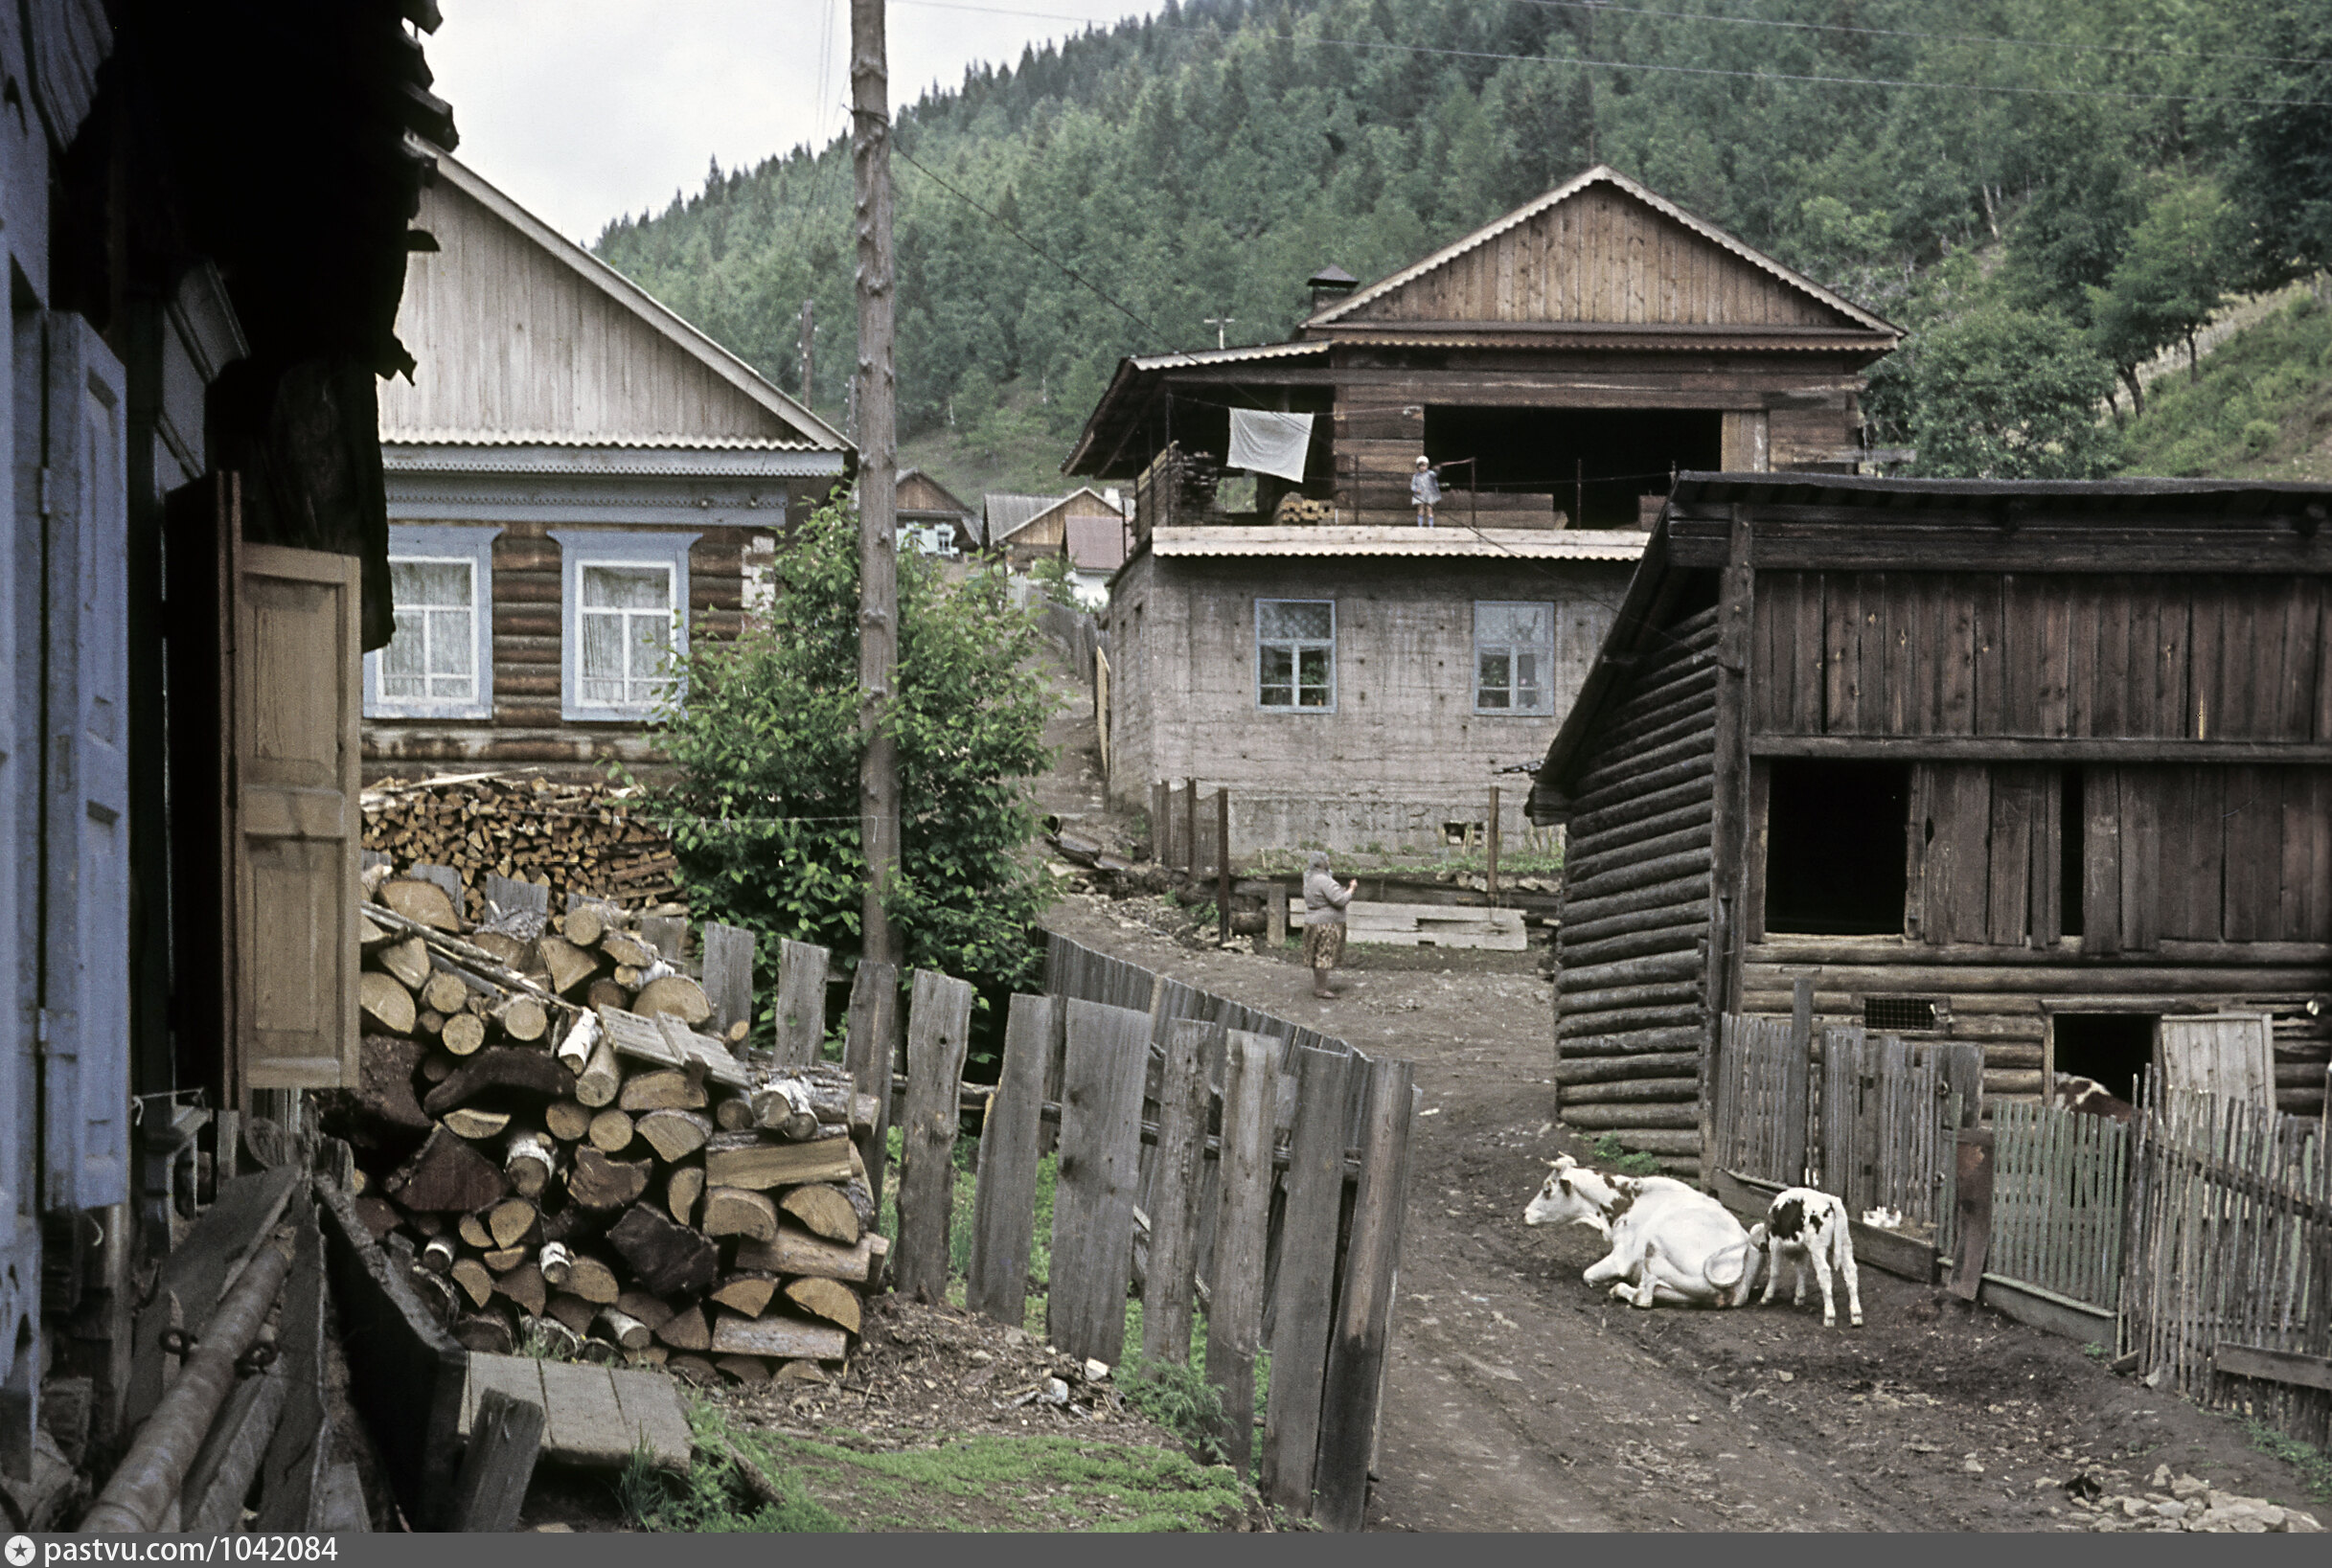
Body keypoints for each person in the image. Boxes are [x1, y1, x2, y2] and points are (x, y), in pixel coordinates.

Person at [1302, 851, 1359, 999]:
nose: (1329, 863)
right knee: (1324, 955)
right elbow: (1340, 900)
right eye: (1328, 861)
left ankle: (1319, 986)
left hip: (1313, 921)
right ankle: (1321, 990)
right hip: (1327, 924)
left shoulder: (1309, 879)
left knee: (1317, 955)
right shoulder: (1323, 880)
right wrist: (1351, 889)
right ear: (1322, 863)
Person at [1410, 454, 1443, 527]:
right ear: (1417, 467)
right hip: (1420, 495)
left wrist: (1437, 469)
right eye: (1420, 466)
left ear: (1427, 466)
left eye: (1424, 465)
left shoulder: (1430, 474)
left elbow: (1435, 475)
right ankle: (1420, 526)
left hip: (1430, 495)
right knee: (1420, 509)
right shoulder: (1415, 476)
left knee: (1429, 509)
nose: (1422, 467)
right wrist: (1416, 489)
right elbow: (1412, 485)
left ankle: (1431, 526)